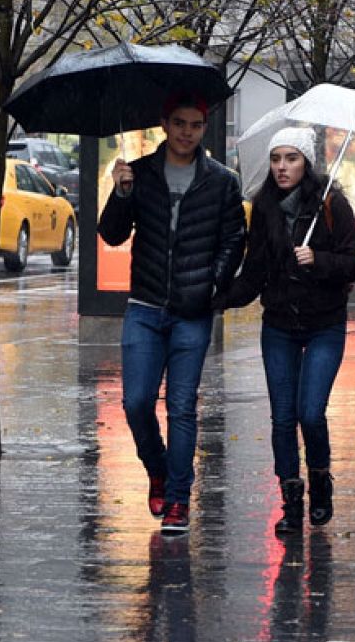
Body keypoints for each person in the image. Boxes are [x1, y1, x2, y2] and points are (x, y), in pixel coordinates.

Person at [99, 92, 246, 534]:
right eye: (179, 123)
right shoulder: (140, 173)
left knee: (182, 407)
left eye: (195, 125)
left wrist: (212, 282)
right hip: (144, 308)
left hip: (192, 312)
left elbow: (234, 239)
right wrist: (121, 193)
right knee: (136, 402)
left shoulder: (221, 181)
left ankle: (179, 500)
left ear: (204, 128)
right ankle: (157, 468)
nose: (187, 132)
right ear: (165, 124)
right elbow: (111, 234)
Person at [218, 128, 355, 535]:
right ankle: (291, 503)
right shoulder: (264, 207)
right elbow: (254, 272)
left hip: (324, 325)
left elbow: (353, 263)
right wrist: (216, 298)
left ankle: (321, 480)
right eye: (276, 158)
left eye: (291, 158)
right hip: (279, 325)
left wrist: (318, 259)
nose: (282, 167)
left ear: (306, 163)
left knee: (310, 413)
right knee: (283, 418)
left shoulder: (332, 204)